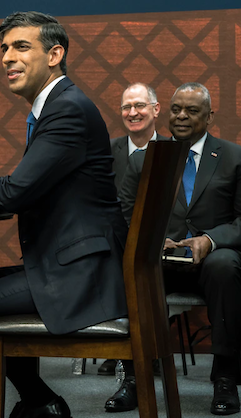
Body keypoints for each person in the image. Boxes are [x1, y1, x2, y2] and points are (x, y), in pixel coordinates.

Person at [0, 12, 128, 418]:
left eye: (21, 47)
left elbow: (17, 190)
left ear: (55, 55)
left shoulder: (67, 110)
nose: (7, 58)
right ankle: (39, 401)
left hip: (80, 275)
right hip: (68, 265)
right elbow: (29, 186)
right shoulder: (59, 108)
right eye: (4, 49)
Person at [116, 82, 241, 416]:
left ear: (210, 116)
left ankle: (224, 378)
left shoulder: (236, 158)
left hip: (214, 260)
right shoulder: (145, 159)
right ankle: (133, 378)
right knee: (132, 263)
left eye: (192, 110)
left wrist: (209, 240)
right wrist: (151, 238)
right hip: (162, 259)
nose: (182, 116)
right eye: (176, 109)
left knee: (224, 265)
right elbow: (125, 216)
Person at [98, 82, 167, 380]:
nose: (132, 112)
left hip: (160, 243)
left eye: (139, 105)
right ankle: (119, 347)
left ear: (155, 109)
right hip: (115, 240)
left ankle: (145, 350)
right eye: (126, 107)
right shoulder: (107, 152)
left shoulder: (171, 150)